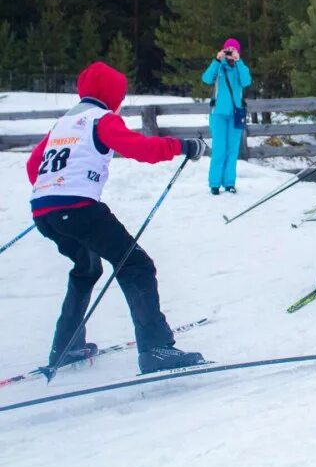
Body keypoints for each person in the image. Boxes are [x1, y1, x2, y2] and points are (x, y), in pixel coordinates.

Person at [26, 62, 207, 374]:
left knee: (86, 268)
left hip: (45, 211)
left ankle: (65, 347)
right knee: (136, 265)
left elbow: (34, 167)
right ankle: (155, 348)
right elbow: (140, 148)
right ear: (112, 95)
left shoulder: (63, 124)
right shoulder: (102, 119)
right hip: (76, 209)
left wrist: (59, 191)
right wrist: (183, 146)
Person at [202, 38, 252, 195]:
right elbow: (206, 78)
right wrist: (216, 60)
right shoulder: (219, 66)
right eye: (228, 49)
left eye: (233, 49)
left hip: (236, 114)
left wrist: (239, 62)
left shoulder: (240, 67)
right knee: (219, 149)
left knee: (232, 150)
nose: (230, 52)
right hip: (218, 115)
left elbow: (246, 82)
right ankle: (215, 183)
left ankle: (229, 182)